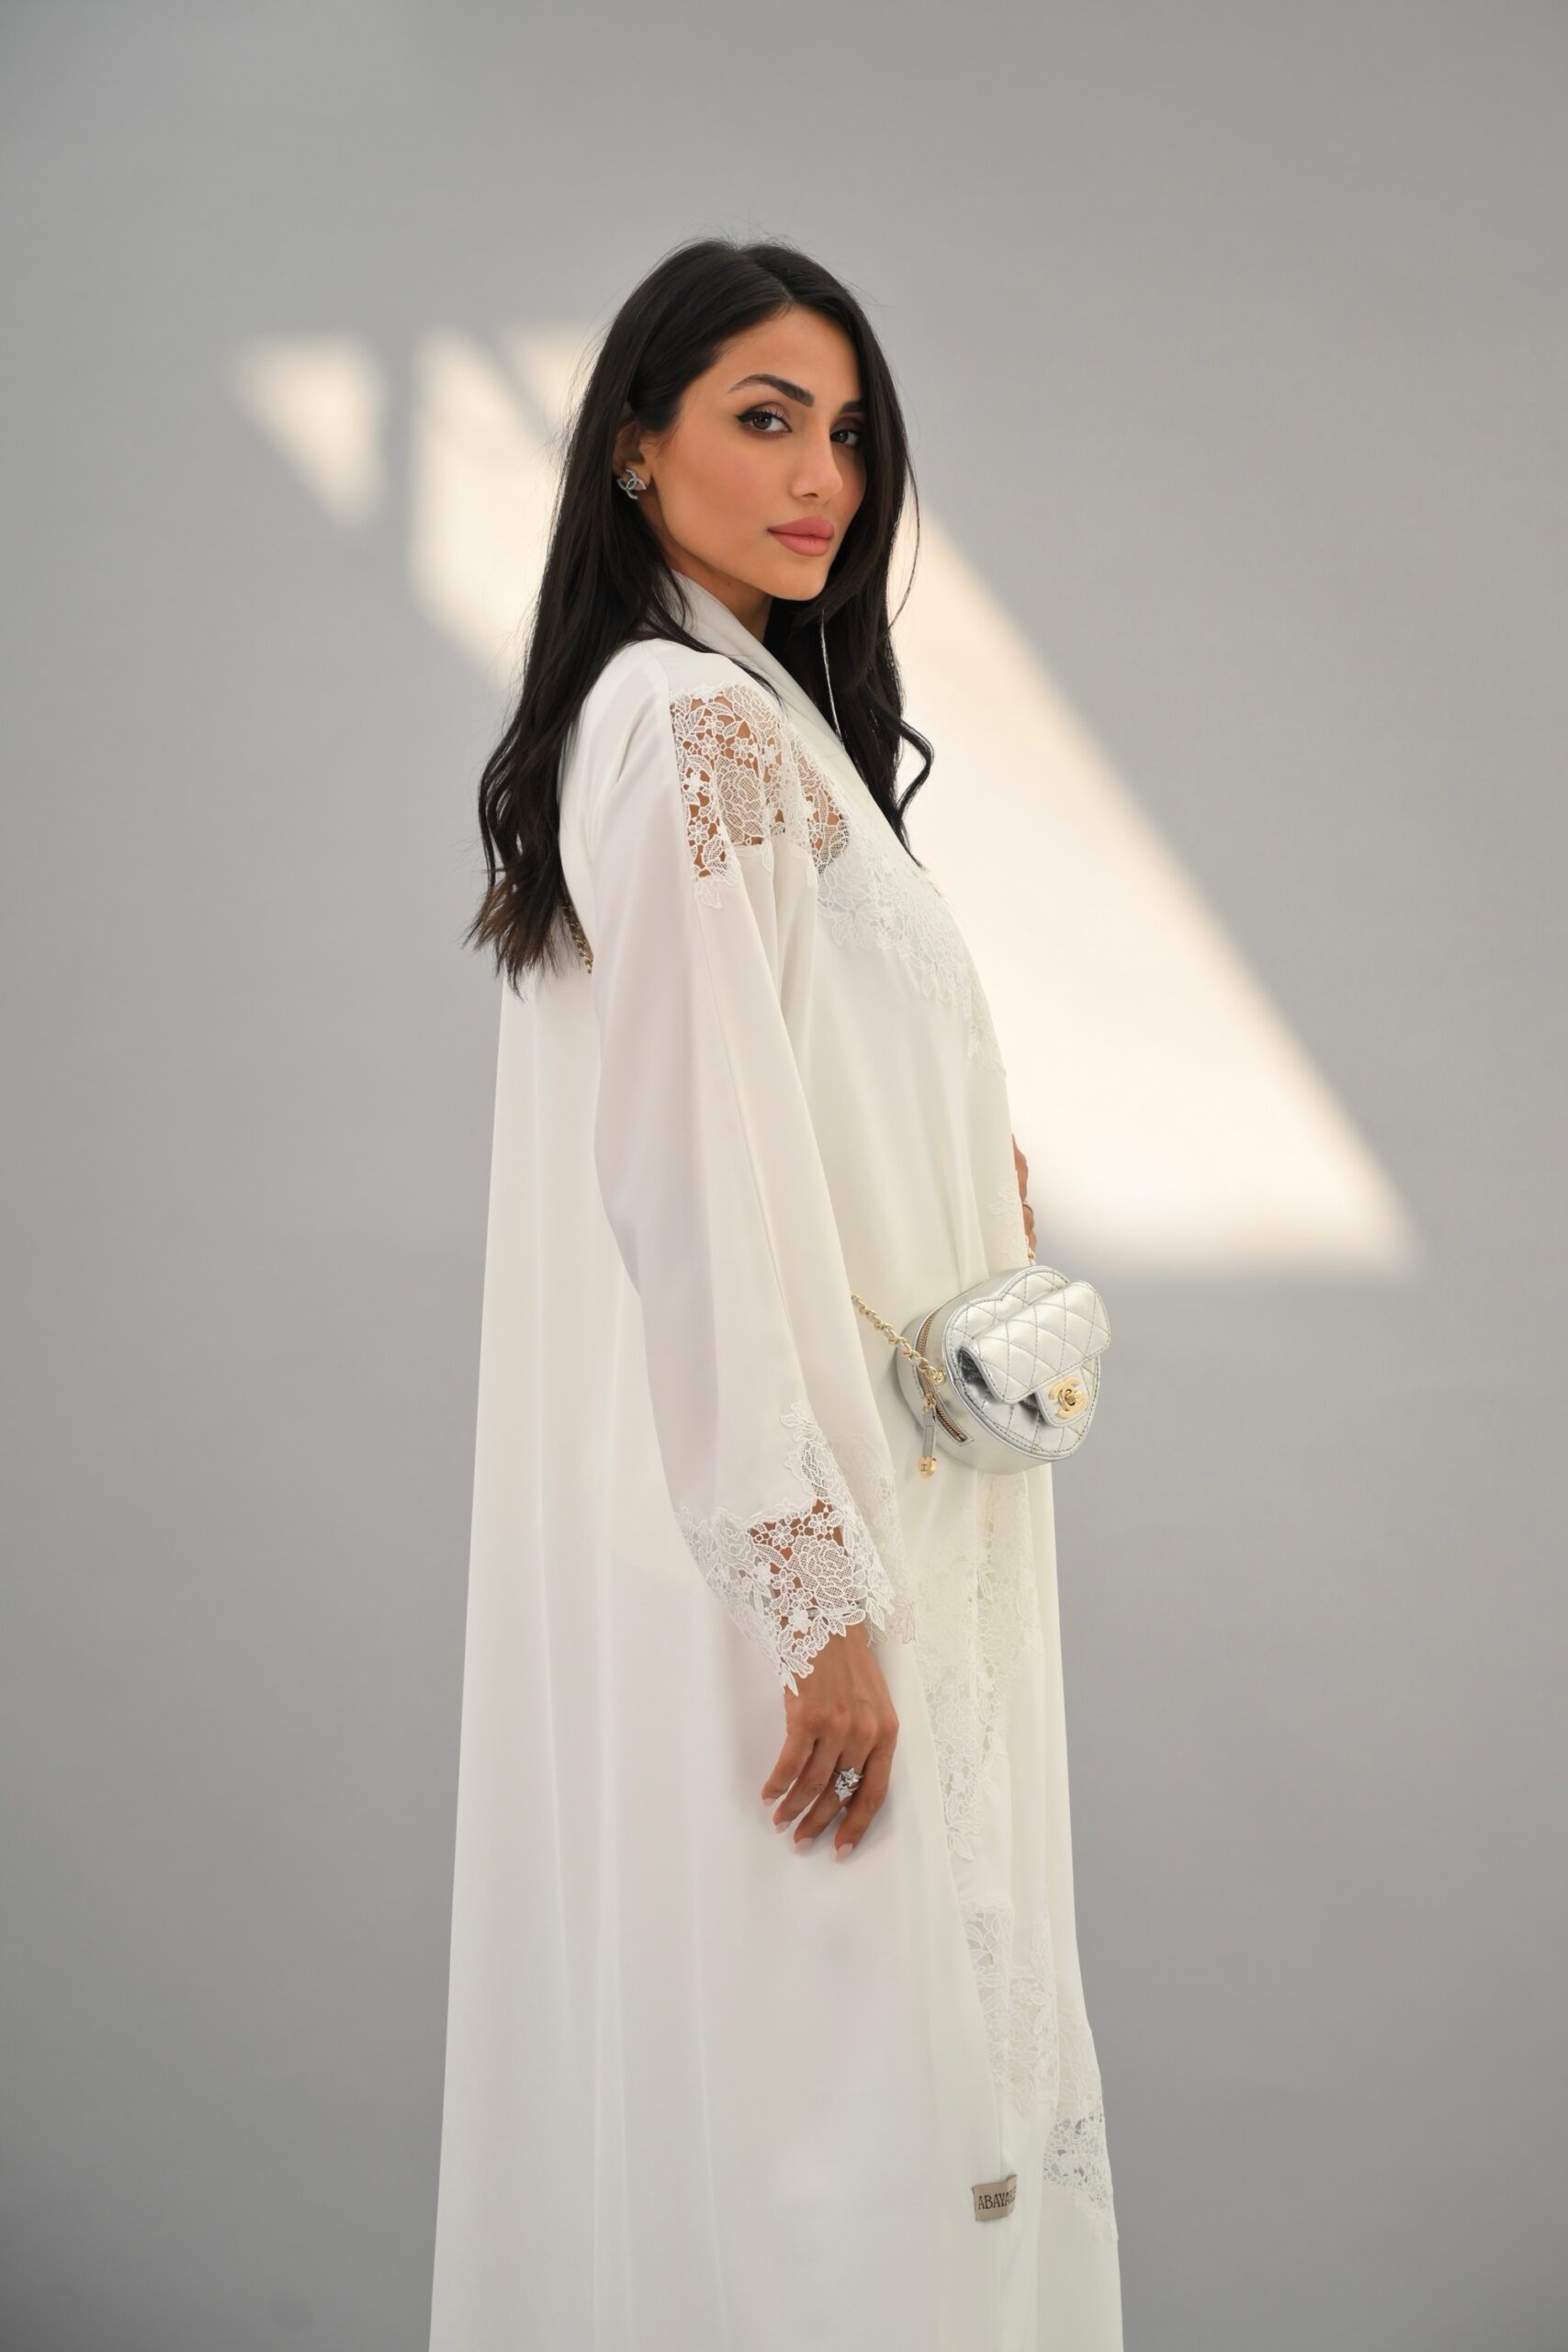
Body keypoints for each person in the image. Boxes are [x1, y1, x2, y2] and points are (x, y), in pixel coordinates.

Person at [427, 234, 1123, 2350]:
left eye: (846, 432)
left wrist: (962, 1166)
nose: (822, 475)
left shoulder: (756, 716)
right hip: (809, 1558)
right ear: (631, 448)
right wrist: (810, 1599)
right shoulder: (682, 726)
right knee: (832, 2121)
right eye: (761, 418)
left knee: (871, 2101)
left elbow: (785, 1098)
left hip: (889, 1506)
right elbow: (690, 1181)